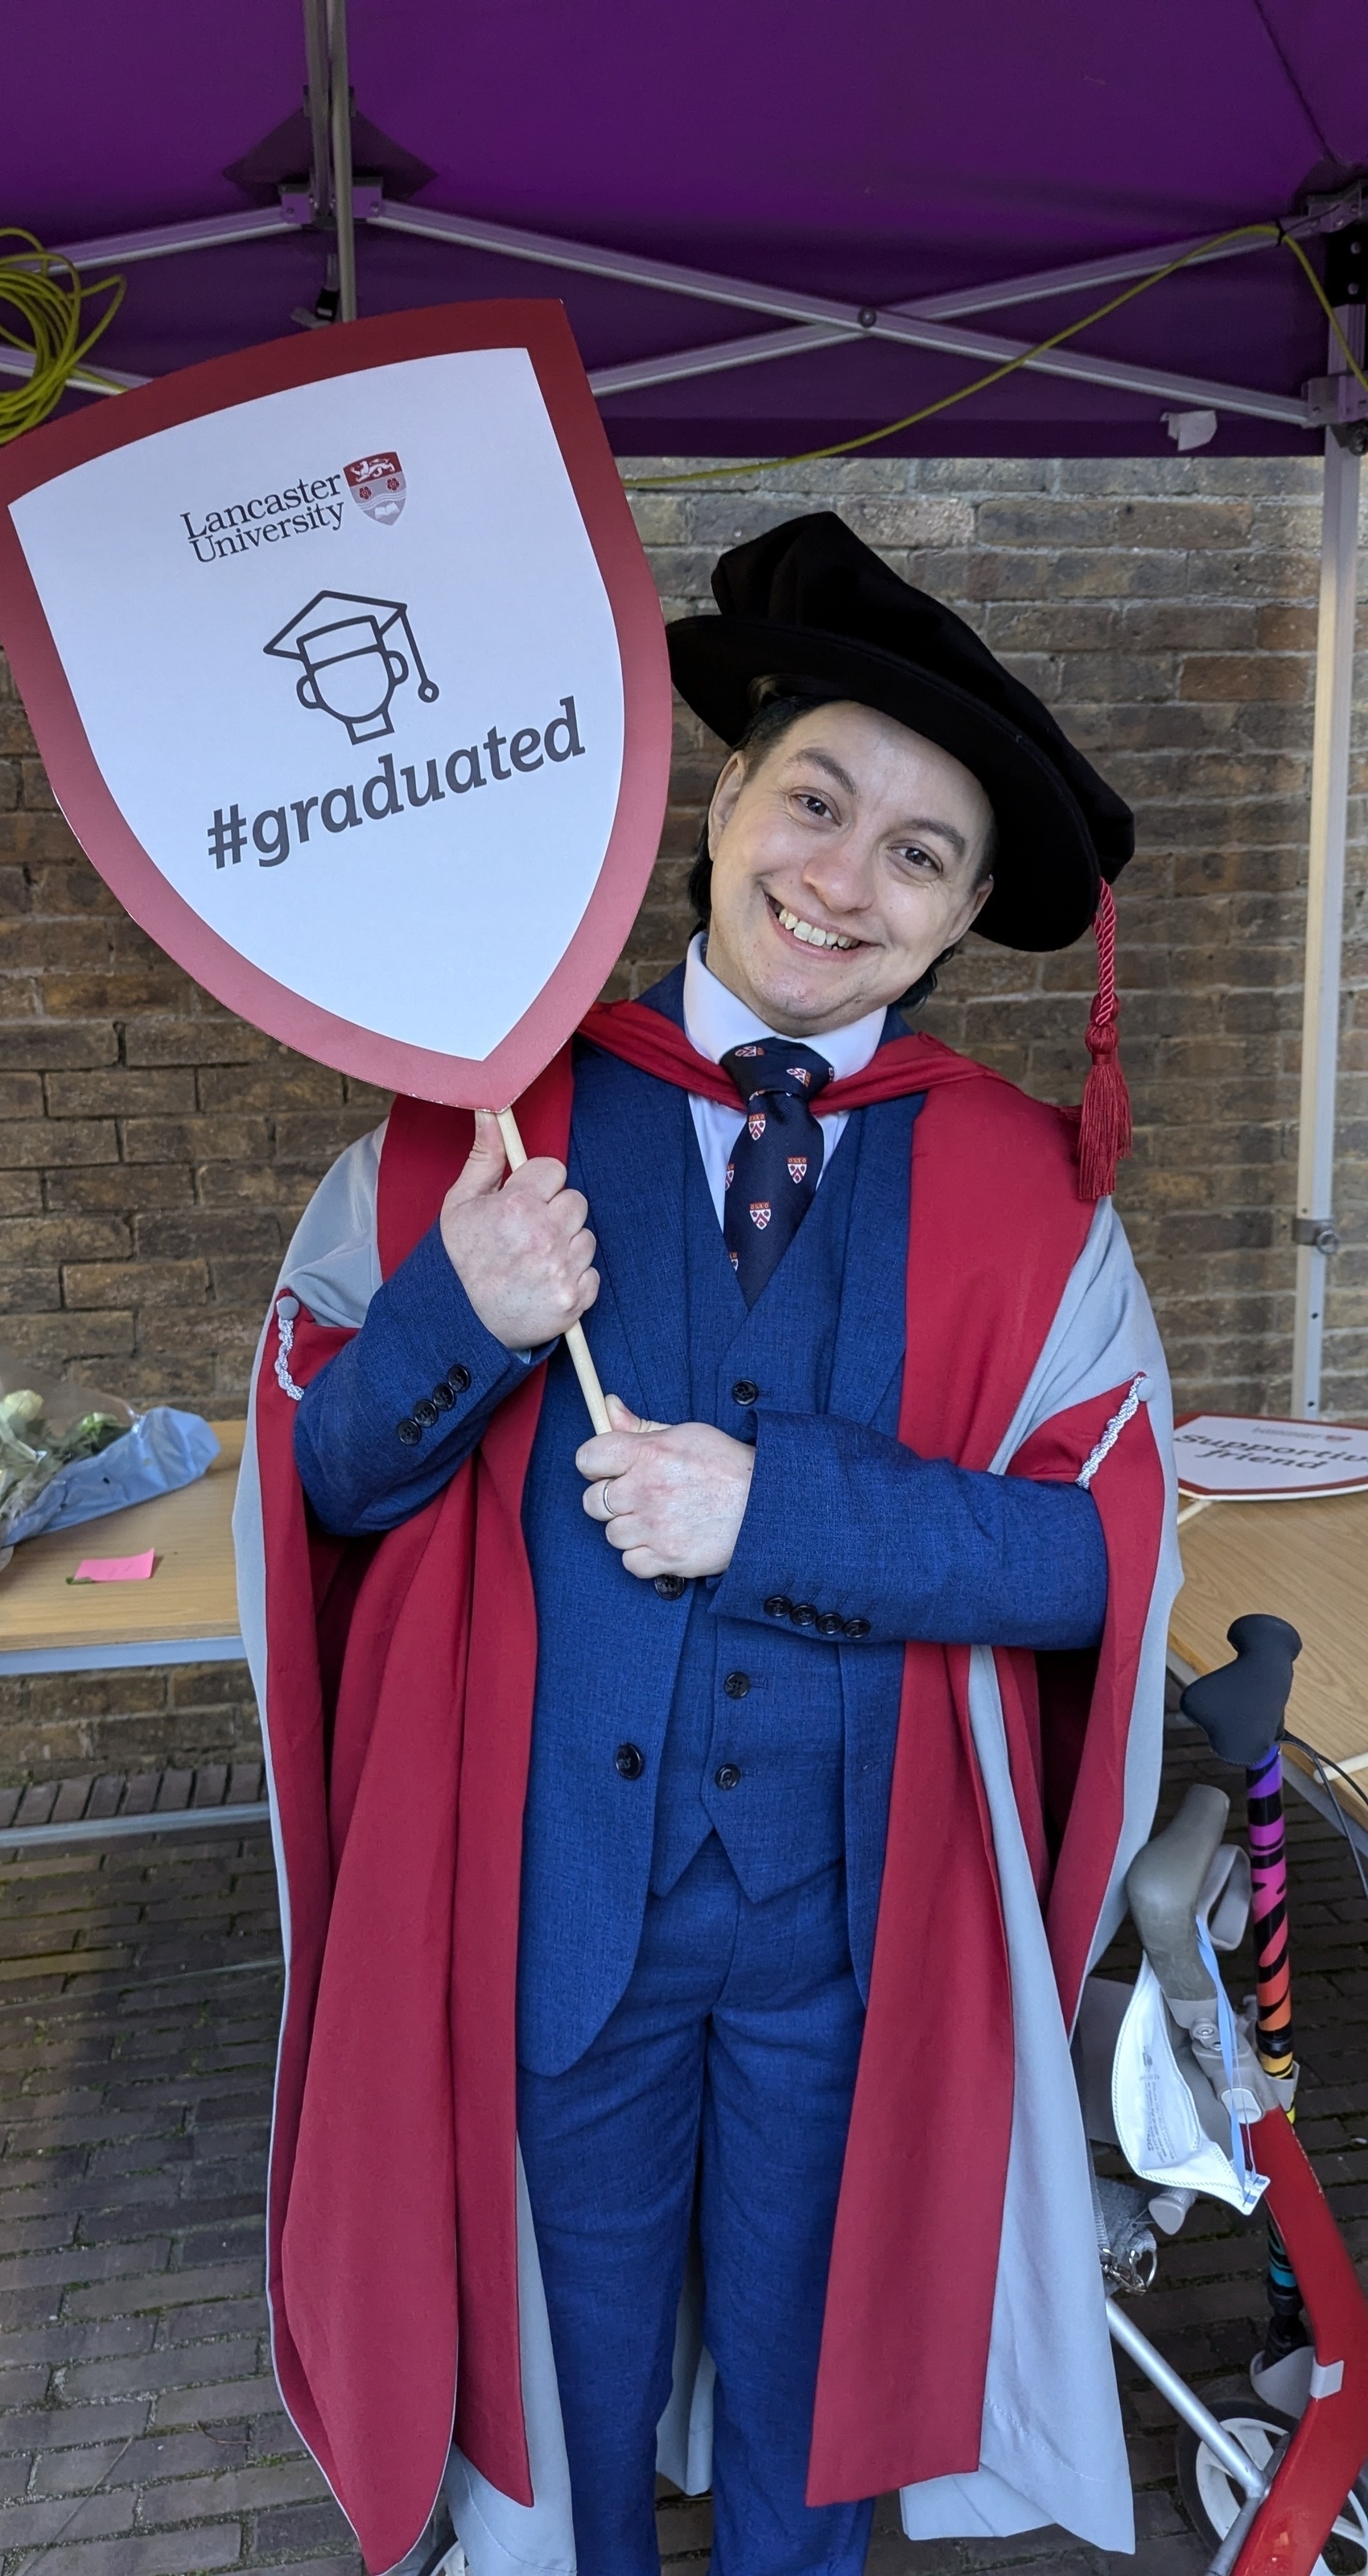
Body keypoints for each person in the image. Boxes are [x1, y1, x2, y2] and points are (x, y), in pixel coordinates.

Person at [235, 513, 1180, 2576]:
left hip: (846, 1941)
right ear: (722, 796)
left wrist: (780, 1515)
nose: (843, 881)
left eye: (920, 856)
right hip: (556, 1913)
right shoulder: (472, 1129)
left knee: (806, 2419)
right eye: (819, 800)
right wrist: (452, 1323)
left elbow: (1092, 1567)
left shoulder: (1032, 1202)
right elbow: (324, 1499)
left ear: (965, 920)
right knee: (562, 2422)